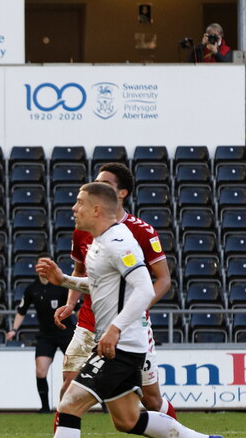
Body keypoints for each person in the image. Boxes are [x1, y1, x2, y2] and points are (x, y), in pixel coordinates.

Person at [36, 182, 222, 438]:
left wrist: (115, 329)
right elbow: (99, 284)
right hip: (118, 345)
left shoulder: (119, 242)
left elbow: (145, 289)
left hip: (121, 347)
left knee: (69, 404)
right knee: (127, 420)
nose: (74, 208)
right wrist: (64, 280)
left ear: (96, 209)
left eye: (80, 202)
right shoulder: (100, 242)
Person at [52, 163, 176, 425]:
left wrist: (134, 309)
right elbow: (82, 270)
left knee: (150, 402)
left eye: (106, 183)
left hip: (129, 327)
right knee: (68, 392)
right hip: (89, 322)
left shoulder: (141, 232)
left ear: (121, 193)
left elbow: (162, 279)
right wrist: (71, 303)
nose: (98, 186)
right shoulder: (83, 229)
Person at [6, 270, 76, 413]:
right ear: (37, 268)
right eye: (41, 264)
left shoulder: (61, 286)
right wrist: (13, 329)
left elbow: (77, 308)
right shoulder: (32, 288)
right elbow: (21, 311)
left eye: (47, 264)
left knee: (74, 371)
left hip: (66, 333)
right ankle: (45, 408)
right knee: (40, 371)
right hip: (46, 335)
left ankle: (100, 404)